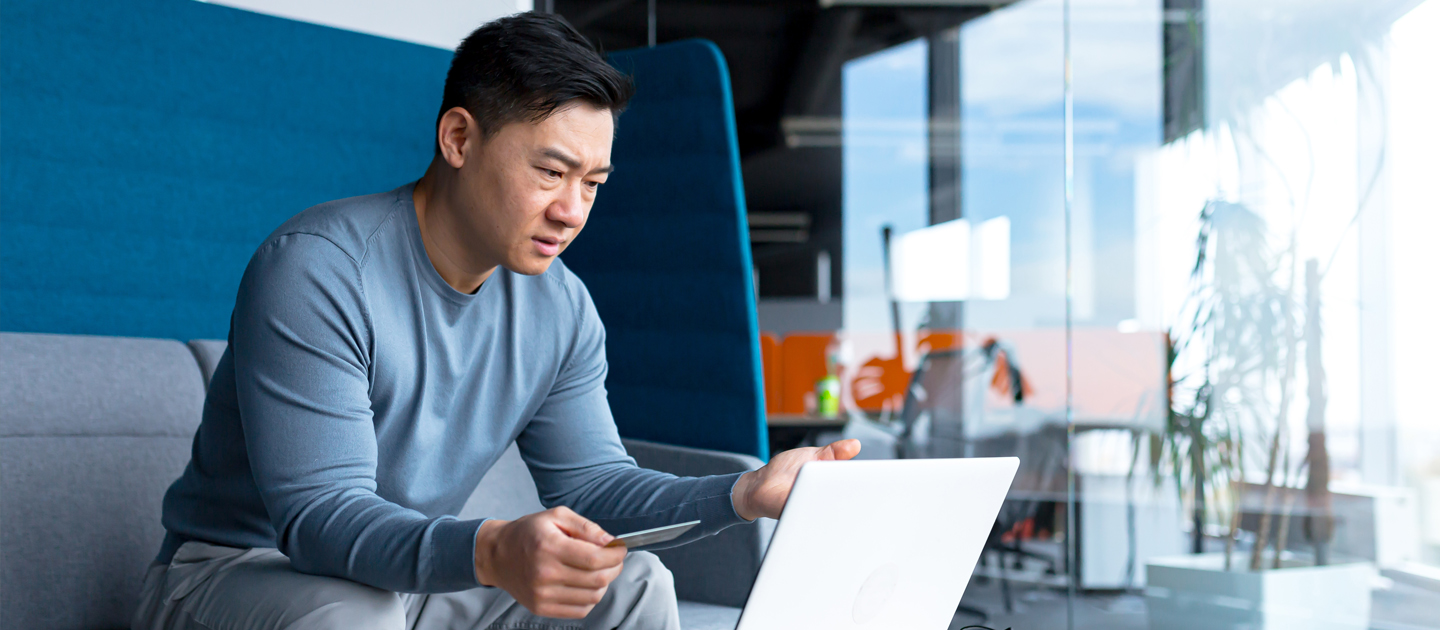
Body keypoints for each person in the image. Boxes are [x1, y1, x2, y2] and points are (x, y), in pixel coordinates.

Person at [130, 11, 859, 630]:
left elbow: (597, 487)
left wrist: (743, 494)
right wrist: (489, 550)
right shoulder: (317, 268)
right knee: (353, 615)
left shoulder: (560, 307)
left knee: (636, 583)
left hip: (404, 591)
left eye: (592, 183)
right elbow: (321, 519)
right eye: (550, 172)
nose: (572, 211)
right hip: (234, 579)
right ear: (458, 138)